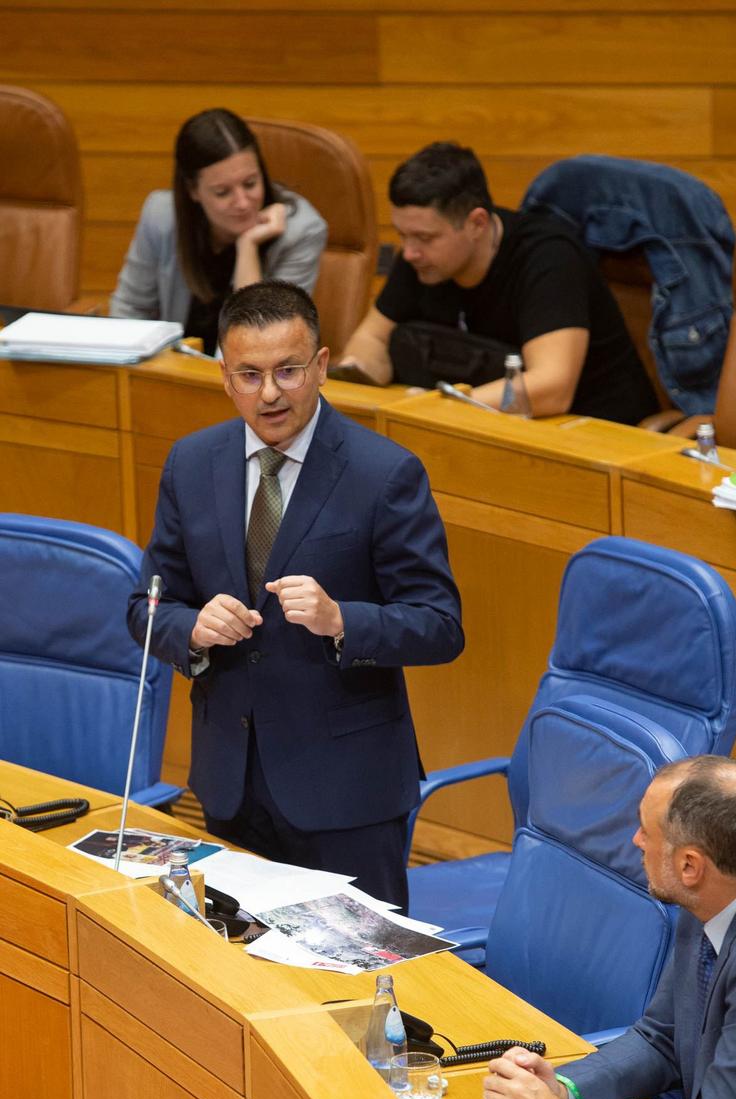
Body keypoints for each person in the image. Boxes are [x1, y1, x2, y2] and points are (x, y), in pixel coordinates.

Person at [127, 280, 464, 912]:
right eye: (250, 375)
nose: (271, 392)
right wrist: (193, 629)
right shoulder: (191, 464)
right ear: (224, 377)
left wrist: (343, 620)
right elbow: (146, 607)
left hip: (347, 794)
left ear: (322, 366)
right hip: (230, 782)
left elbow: (440, 624)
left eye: (288, 370)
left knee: (355, 994)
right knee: (237, 979)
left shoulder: (384, 473)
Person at [483, 755, 736, 1099]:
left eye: (647, 832)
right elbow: (661, 1040)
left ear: (689, 866)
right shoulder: (709, 899)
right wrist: (565, 1089)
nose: (636, 841)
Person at [338, 142, 658, 425]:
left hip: (595, 430)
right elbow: (371, 339)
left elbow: (552, 387)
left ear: (477, 223)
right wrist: (360, 371)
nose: (409, 251)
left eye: (424, 237)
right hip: (487, 423)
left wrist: (431, 410)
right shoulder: (421, 258)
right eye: (403, 234)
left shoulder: (549, 257)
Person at [110, 108, 327, 355]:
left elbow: (261, 347)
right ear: (193, 191)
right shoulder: (161, 217)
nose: (243, 202)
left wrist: (248, 247)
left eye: (250, 183)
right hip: (170, 375)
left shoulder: (301, 231)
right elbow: (130, 310)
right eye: (223, 192)